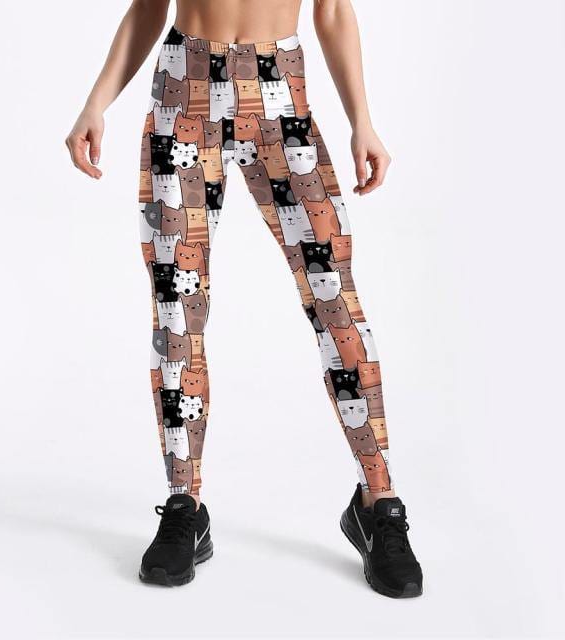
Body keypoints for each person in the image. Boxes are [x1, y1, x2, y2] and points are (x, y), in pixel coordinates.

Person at [66, 0, 423, 597]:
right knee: (178, 312)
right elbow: (150, 5)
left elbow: (333, 10)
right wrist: (95, 102)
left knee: (335, 300)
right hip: (184, 91)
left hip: (280, 93)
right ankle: (184, 505)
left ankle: (378, 502)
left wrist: (362, 119)